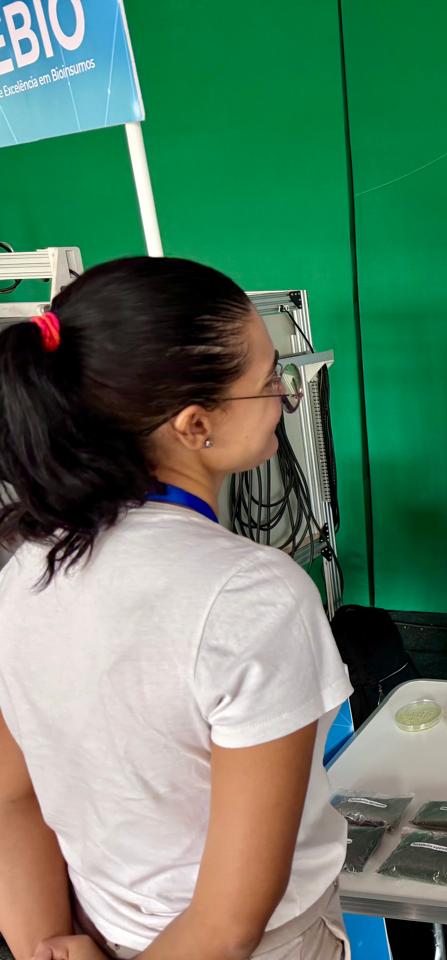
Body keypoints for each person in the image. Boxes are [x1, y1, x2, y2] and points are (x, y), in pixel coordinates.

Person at [0, 258, 352, 960]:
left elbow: (11, 797)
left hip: (94, 930)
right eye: (270, 381)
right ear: (195, 424)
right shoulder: (252, 595)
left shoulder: (24, 567)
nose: (284, 398)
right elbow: (226, 926)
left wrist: (45, 942)